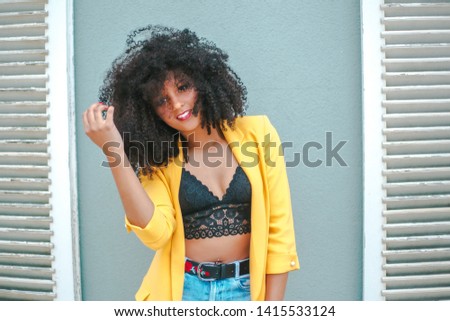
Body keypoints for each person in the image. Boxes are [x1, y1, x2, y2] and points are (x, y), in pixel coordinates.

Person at [82, 25, 299, 301]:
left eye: (183, 87)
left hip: (247, 290)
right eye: (162, 100)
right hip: (185, 292)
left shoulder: (258, 133)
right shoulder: (158, 160)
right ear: (150, 112)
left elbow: (280, 231)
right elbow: (155, 235)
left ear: (204, 82)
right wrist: (113, 150)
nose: (177, 105)